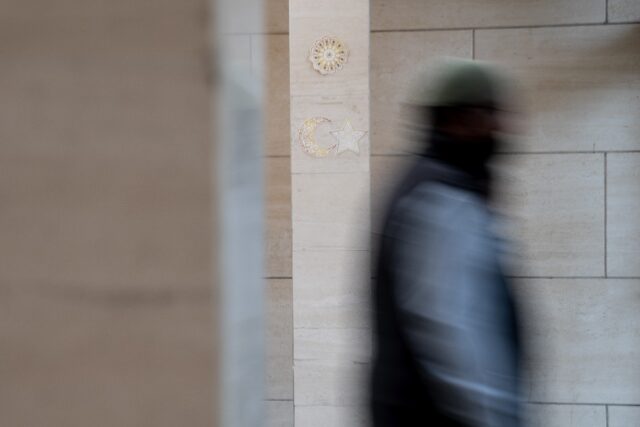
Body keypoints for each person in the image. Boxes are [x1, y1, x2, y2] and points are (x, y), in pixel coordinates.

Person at [371, 61, 522, 427]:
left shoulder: (431, 183)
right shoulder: (441, 196)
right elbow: (451, 330)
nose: (502, 127)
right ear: (459, 119)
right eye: (489, 113)